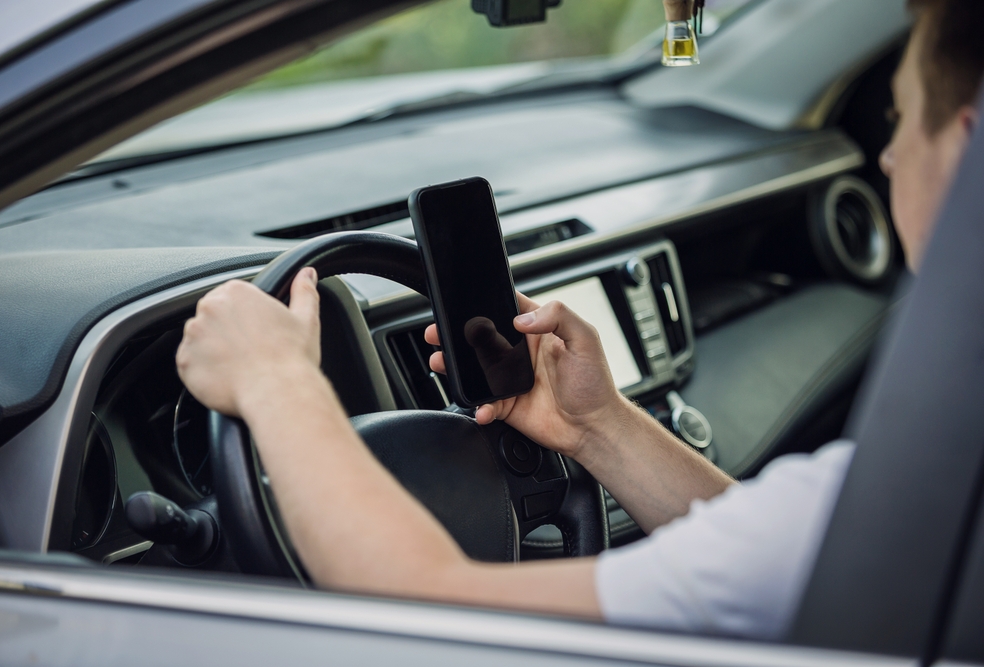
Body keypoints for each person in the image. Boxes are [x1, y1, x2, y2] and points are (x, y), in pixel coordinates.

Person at [175, 0, 983, 640]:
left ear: (968, 144)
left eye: (898, 118)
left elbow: (429, 609)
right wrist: (596, 425)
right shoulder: (913, 509)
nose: (887, 156)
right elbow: (784, 562)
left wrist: (277, 382)